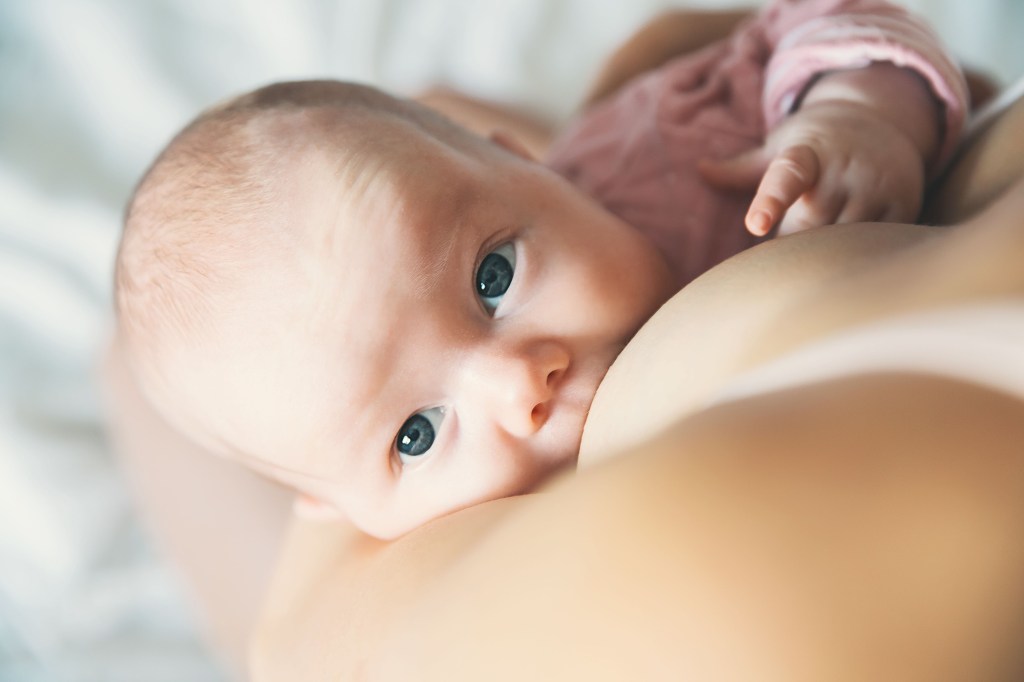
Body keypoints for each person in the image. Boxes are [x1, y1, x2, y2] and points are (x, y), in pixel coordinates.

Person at [113, 0, 968, 543]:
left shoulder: (682, 151)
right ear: (339, 513)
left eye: (493, 277)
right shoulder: (478, 554)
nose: (515, 383)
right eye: (416, 434)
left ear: (531, 169)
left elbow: (809, 25)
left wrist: (854, 113)